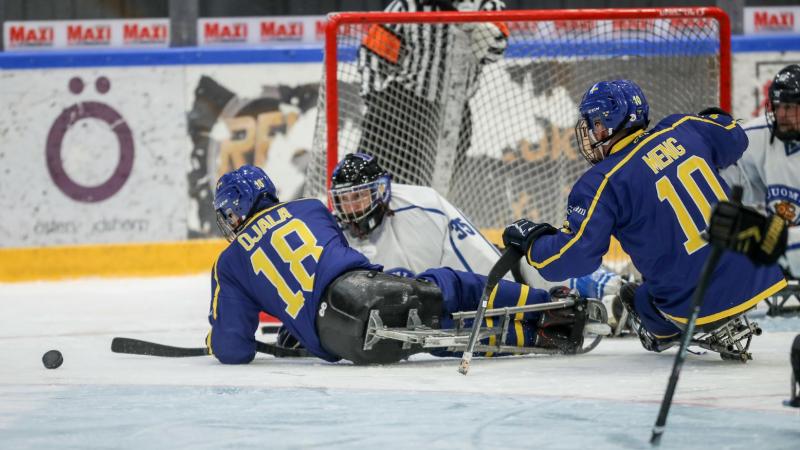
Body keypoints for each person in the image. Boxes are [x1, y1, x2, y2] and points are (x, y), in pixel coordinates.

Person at [501, 79, 787, 354]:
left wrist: (533, 244)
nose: (590, 132)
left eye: (594, 123)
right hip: (760, 272)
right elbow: (735, 137)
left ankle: (662, 331)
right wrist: (713, 119)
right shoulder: (684, 128)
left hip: (695, 304)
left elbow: (572, 257)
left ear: (608, 124)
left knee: (637, 297)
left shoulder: (601, 181)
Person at [206, 165, 590, 365]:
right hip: (364, 288)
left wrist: (215, 340)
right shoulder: (309, 207)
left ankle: (533, 337)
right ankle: (547, 304)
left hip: (340, 341)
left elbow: (233, 348)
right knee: (447, 287)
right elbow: (336, 262)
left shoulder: (229, 261)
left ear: (235, 211)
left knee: (441, 336)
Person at [327, 151, 624, 311]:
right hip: (455, 290)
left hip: (486, 276)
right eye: (345, 199)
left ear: (379, 191)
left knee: (535, 269)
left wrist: (522, 300)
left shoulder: (423, 206)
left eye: (359, 196)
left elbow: (478, 259)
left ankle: (617, 289)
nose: (352, 207)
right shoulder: (334, 231)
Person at [357, 0, 508, 185]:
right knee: (367, 185)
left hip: (455, 115)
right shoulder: (406, 6)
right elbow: (373, 53)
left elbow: (493, 53)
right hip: (401, 108)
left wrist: (478, 27)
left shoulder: (487, 5)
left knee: (433, 192)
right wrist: (375, 100)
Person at [720, 64, 800, 281]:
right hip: (776, 257)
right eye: (778, 106)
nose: (782, 114)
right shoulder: (758, 135)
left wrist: (781, 240)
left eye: (790, 106)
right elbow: (729, 179)